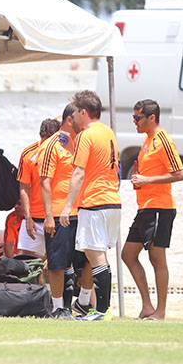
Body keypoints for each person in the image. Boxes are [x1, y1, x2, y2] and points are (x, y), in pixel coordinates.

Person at [60, 90, 121, 321]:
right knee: (96, 254)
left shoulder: (87, 135)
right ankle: (97, 308)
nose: (73, 116)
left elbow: (78, 172)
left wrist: (68, 206)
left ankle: (101, 311)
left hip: (94, 202)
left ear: (83, 112)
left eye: (75, 111)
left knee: (95, 256)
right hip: (111, 201)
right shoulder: (108, 132)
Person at [122, 99, 183, 320]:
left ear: (152, 118)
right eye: (133, 117)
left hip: (160, 208)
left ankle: (161, 311)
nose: (134, 122)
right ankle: (147, 306)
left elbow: (179, 174)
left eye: (137, 118)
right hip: (145, 208)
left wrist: (148, 180)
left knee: (157, 258)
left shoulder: (163, 140)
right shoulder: (147, 141)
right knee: (128, 254)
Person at [37, 109, 78, 319]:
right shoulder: (51, 145)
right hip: (59, 212)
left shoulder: (79, 142)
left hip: (79, 211)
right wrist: (49, 215)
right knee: (57, 263)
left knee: (76, 261)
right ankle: (57, 307)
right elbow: (44, 182)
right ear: (70, 119)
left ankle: (75, 306)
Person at [18, 118, 61, 260]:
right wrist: (28, 217)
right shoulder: (28, 153)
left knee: (60, 264)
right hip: (35, 219)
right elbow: (24, 187)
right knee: (26, 263)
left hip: (58, 218)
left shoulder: (65, 152)